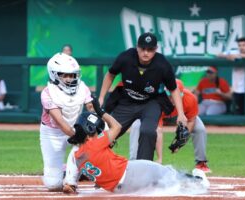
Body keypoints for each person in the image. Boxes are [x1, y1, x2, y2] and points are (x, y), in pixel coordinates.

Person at [62, 101, 210, 194]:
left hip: (119, 189)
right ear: (88, 133)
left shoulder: (76, 157)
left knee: (156, 182)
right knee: (166, 172)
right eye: (96, 131)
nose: (98, 134)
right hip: (130, 173)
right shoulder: (94, 143)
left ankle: (182, 185)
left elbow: (89, 174)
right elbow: (117, 127)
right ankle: (197, 181)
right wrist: (102, 112)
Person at [98, 32, 187, 161]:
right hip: (127, 101)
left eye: (150, 49)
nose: (146, 52)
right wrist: (101, 97)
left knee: (148, 131)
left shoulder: (162, 65)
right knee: (108, 132)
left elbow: (173, 89)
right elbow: (110, 74)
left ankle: (144, 167)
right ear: (137, 47)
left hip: (150, 102)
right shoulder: (126, 57)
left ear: (156, 49)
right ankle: (93, 165)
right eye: (143, 48)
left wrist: (181, 113)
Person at [130, 79, 211, 173]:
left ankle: (201, 163)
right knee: (137, 125)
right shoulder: (157, 101)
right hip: (155, 115)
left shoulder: (190, 98)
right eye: (170, 95)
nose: (172, 98)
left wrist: (180, 143)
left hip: (180, 116)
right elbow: (158, 130)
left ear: (182, 94)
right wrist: (160, 158)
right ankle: (134, 162)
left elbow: (191, 120)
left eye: (176, 95)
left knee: (199, 128)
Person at [39, 52, 94, 191]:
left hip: (75, 128)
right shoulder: (47, 92)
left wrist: (97, 128)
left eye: (72, 75)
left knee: (97, 136)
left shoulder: (82, 87)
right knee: (53, 185)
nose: (70, 79)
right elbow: (59, 121)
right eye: (65, 75)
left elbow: (91, 108)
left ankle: (72, 178)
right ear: (54, 74)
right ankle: (66, 169)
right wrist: (79, 137)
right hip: (53, 133)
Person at [217, 37, 245, 115]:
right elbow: (219, 55)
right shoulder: (234, 52)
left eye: (243, 45)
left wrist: (239, 56)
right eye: (239, 45)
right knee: (239, 111)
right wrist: (228, 56)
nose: (241, 47)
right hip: (238, 88)